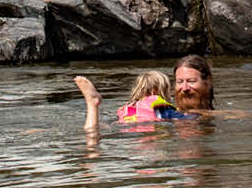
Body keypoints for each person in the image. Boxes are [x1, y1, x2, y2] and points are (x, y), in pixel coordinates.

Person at [72, 55, 215, 132]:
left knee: (93, 131)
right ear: (155, 92)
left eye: (190, 81)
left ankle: (92, 106)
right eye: (179, 82)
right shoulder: (164, 110)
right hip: (146, 131)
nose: (184, 88)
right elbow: (189, 118)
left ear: (208, 81)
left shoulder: (129, 109)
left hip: (125, 129)